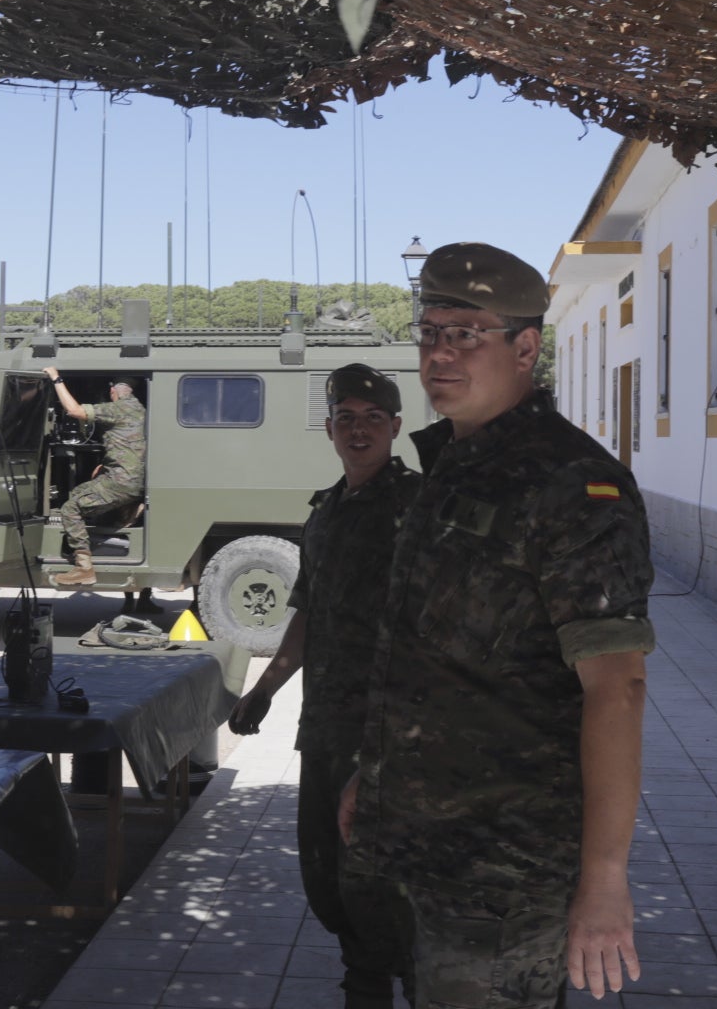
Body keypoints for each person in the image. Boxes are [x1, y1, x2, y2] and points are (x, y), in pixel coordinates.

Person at [341, 243, 655, 1009]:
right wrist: (370, 775)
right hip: (420, 849)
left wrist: (606, 880)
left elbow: (617, 690)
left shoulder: (573, 486)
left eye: (466, 333)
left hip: (502, 873)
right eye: (429, 331)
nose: (439, 354)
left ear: (525, 347)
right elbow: (429, 662)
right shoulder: (452, 466)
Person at [231, 364, 421, 1009]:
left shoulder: (418, 508)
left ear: (396, 427)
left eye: (373, 418)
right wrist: (267, 688)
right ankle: (364, 991)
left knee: (391, 882)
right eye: (346, 418)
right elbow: (309, 611)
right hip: (328, 729)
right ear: (329, 430)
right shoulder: (328, 510)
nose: (359, 430)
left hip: (396, 734)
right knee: (331, 874)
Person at [42, 370, 148, 606]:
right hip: (134, 479)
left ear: (113, 392)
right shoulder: (141, 410)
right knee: (88, 498)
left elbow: (75, 411)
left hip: (121, 481)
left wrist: (56, 379)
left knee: (70, 507)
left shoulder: (118, 409)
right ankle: (126, 515)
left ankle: (84, 567)